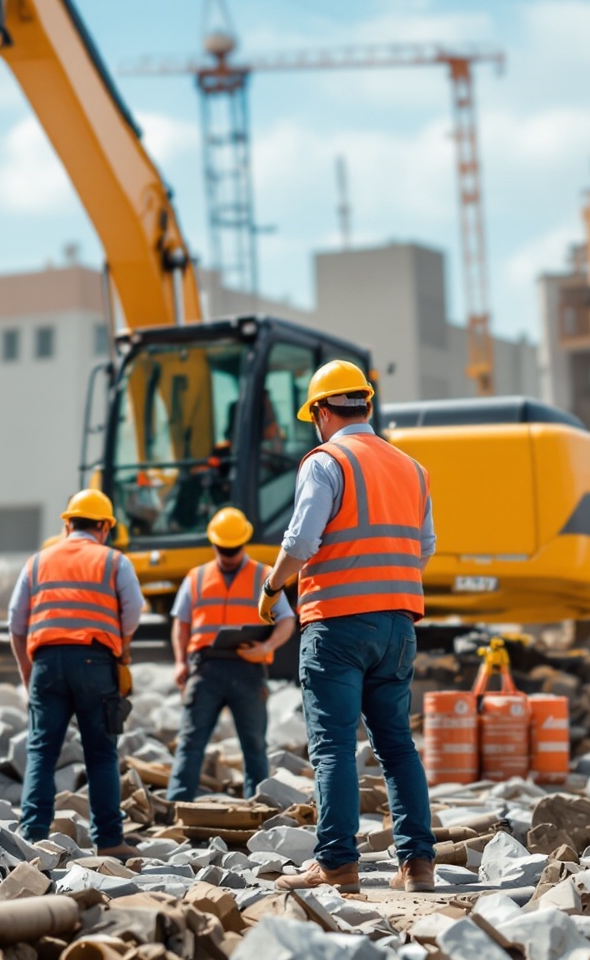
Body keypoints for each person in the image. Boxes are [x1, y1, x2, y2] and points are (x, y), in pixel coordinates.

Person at [264, 360, 438, 893]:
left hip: (337, 625)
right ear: (366, 403)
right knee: (397, 745)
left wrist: (272, 589)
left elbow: (300, 542)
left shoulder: (325, 461)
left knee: (335, 745)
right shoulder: (411, 467)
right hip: (399, 625)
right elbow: (424, 547)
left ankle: (338, 865)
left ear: (320, 411)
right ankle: (418, 866)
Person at [6, 488, 145, 858]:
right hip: (95, 662)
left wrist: (27, 670)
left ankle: (32, 836)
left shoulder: (37, 562)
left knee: (41, 752)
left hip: (46, 664)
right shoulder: (114, 562)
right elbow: (133, 611)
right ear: (104, 526)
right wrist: (122, 644)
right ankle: (110, 842)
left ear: (67, 524)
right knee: (100, 754)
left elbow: (15, 623)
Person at [169, 506, 292, 801]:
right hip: (205, 669)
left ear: (243, 544)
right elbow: (181, 623)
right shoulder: (196, 577)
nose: (228, 555)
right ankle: (177, 804)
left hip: (247, 669)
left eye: (233, 549)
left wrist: (266, 647)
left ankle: (258, 808)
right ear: (213, 544)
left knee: (254, 744)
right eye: (224, 549)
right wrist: (179, 662)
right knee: (190, 740)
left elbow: (287, 619)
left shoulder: (265, 575)